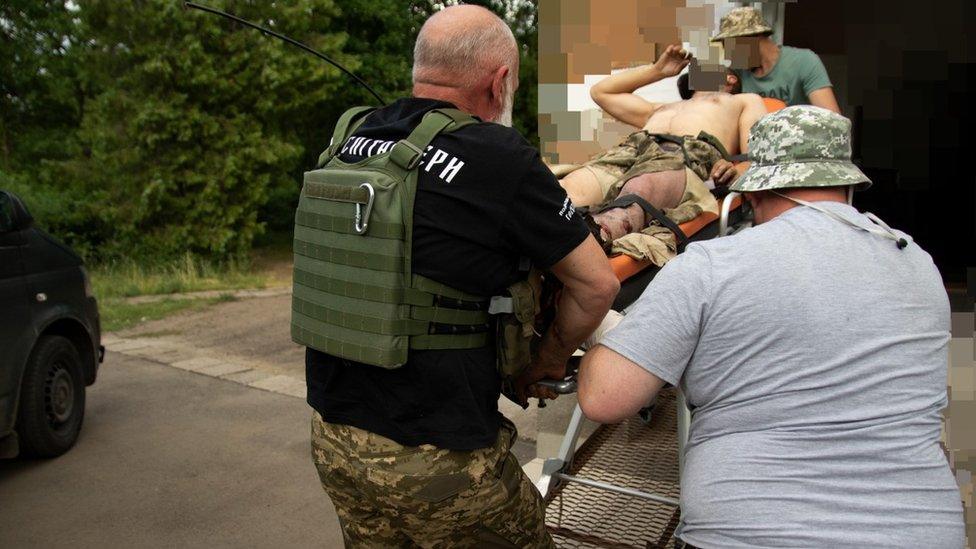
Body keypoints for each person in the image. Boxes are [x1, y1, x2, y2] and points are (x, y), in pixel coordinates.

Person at [576, 106, 966, 547]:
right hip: (923, 531)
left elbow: (605, 398)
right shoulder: (918, 263)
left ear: (755, 193)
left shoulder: (713, 266)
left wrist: (603, 331)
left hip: (753, 533)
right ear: (847, 185)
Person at [304, 5, 619, 547]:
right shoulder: (499, 155)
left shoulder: (349, 137)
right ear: (500, 83)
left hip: (334, 441)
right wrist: (543, 361)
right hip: (442, 461)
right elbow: (597, 284)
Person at [557, 45, 767, 247]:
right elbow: (600, 92)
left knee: (639, 189)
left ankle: (591, 240)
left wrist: (735, 170)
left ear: (730, 78)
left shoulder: (743, 100)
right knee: (566, 190)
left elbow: (757, 155)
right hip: (630, 151)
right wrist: (657, 71)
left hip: (682, 156)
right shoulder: (662, 107)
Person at [712, 6, 841, 113]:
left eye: (730, 47)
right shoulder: (737, 72)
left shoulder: (804, 61)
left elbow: (832, 120)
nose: (728, 56)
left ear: (752, 38)